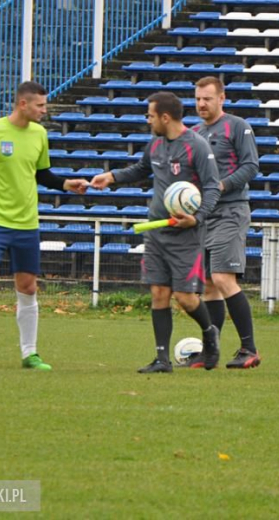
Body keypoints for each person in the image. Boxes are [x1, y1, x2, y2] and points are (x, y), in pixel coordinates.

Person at [0, 81, 89, 370]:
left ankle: (30, 354)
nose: (44, 110)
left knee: (27, 287)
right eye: (40, 105)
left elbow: (42, 174)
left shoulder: (39, 134)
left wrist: (66, 184)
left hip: (27, 224)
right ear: (23, 104)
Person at [90, 92, 222, 373]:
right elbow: (141, 169)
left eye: (150, 115)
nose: (148, 120)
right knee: (159, 293)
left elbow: (212, 187)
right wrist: (111, 177)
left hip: (185, 235)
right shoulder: (156, 144)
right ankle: (162, 359)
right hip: (156, 231)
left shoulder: (196, 146)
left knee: (185, 298)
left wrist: (196, 218)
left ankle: (210, 334)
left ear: (165, 117)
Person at [188, 76, 261, 369]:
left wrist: (222, 185)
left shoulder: (237, 126)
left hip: (231, 210)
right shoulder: (193, 133)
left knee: (222, 278)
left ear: (222, 98)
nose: (201, 104)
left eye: (207, 98)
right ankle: (211, 352)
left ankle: (249, 348)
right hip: (203, 216)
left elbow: (251, 165)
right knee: (207, 285)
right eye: (197, 99)